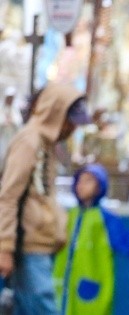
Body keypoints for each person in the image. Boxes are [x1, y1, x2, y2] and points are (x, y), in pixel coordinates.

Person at [0, 83, 91, 314]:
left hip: (39, 246)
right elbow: (8, 196)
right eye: (70, 120)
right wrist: (5, 247)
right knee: (43, 307)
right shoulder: (29, 141)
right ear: (56, 112)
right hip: (28, 247)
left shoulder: (46, 144)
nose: (72, 128)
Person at [52, 163, 129, 315]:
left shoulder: (106, 218)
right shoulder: (69, 215)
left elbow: (126, 244)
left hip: (92, 286)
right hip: (64, 285)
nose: (81, 185)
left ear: (100, 186)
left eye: (88, 181)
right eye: (80, 180)